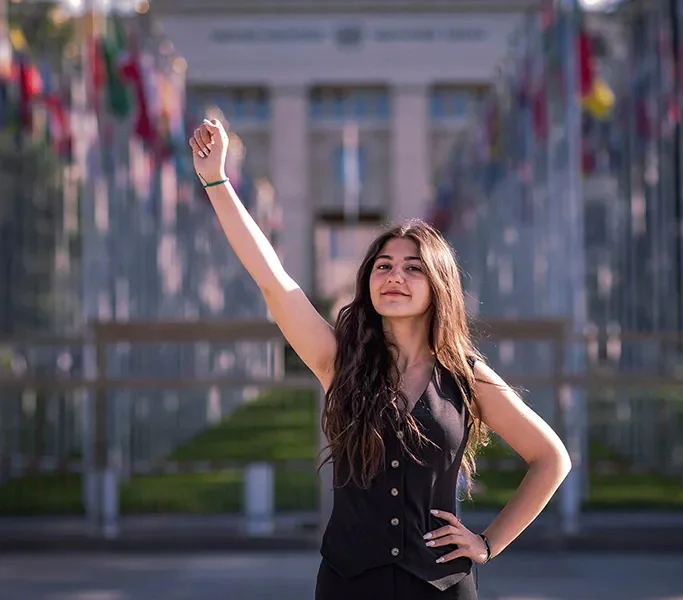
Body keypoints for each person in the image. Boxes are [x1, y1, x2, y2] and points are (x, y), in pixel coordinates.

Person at [189, 119, 572, 599]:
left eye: (413, 268)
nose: (395, 276)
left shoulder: (466, 376)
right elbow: (274, 279)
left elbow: (551, 458)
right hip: (348, 585)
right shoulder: (337, 361)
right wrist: (217, 181)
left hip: (441, 587)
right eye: (384, 266)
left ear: (438, 286)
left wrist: (487, 543)